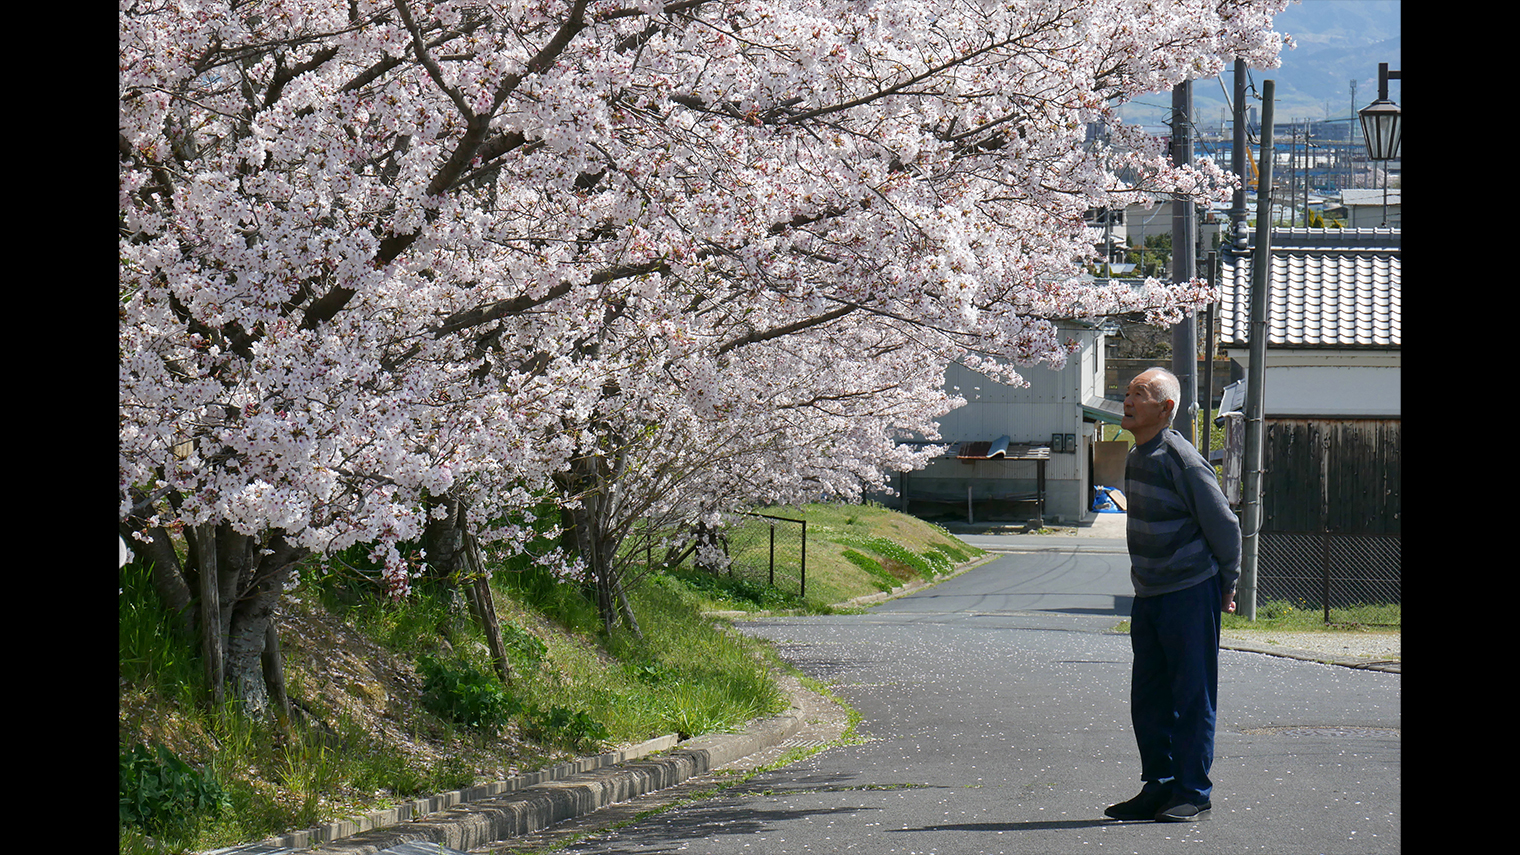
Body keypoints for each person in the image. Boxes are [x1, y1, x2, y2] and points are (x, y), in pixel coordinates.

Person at [1104, 367, 1240, 823]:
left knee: (1192, 694)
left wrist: (1227, 583)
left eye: (1138, 394)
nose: (1127, 401)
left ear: (1165, 408)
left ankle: (1194, 792)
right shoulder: (1137, 454)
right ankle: (1158, 786)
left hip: (1189, 591)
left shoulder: (1179, 457)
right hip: (1150, 593)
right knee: (1149, 696)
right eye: (1127, 393)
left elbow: (1225, 524)